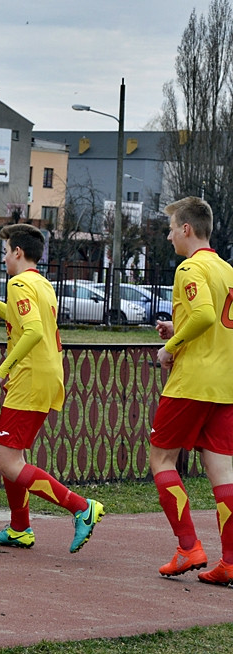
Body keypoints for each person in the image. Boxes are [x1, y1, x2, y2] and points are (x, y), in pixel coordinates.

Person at [0, 223, 103, 553]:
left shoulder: (19, 283)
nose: (4, 258)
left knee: (7, 462)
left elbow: (32, 331)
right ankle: (20, 528)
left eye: (5, 251)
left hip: (30, 378)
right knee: (13, 455)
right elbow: (20, 320)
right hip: (45, 376)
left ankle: (81, 507)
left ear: (17, 253)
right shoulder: (41, 283)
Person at [148, 197, 233, 584]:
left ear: (186, 229)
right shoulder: (226, 270)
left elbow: (200, 316)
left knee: (162, 459)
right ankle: (229, 562)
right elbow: (211, 321)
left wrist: (169, 347)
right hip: (225, 383)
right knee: (223, 473)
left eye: (170, 229)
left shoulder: (190, 267)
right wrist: (176, 329)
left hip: (192, 382)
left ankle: (188, 548)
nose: (168, 237)